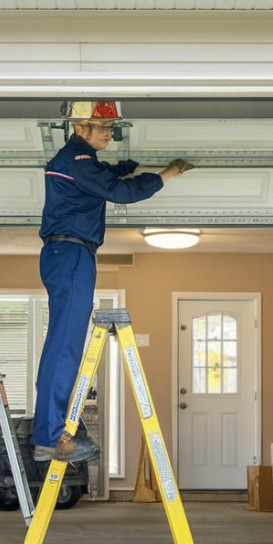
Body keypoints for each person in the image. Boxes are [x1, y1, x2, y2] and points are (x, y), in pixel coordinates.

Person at [33, 100, 193, 462]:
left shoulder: (78, 162)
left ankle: (54, 428)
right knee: (65, 347)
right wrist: (166, 174)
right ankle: (51, 436)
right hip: (72, 255)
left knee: (63, 345)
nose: (108, 133)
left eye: (110, 127)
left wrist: (122, 168)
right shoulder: (76, 161)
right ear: (79, 128)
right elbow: (122, 193)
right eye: (100, 126)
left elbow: (104, 179)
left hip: (70, 256)